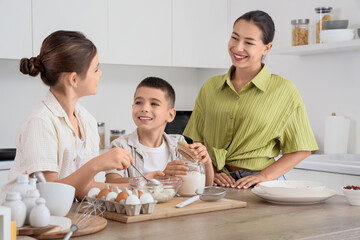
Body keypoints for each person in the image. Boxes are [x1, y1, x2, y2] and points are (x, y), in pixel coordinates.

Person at [183, 10, 318, 189]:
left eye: (249, 42)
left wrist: (263, 176)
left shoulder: (284, 90)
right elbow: (196, 141)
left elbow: (302, 149)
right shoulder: (210, 87)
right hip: (215, 181)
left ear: (266, 48)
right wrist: (213, 171)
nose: (238, 47)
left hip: (262, 185)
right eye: (234, 38)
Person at [0, 30, 133, 203]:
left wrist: (138, 186)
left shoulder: (87, 121)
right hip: (24, 223)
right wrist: (97, 164)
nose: (100, 73)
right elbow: (48, 195)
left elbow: (84, 188)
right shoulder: (40, 123)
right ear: (74, 80)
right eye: (96, 69)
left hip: (63, 219)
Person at [105, 77, 214, 186]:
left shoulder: (179, 145)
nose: (144, 108)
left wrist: (207, 162)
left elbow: (204, 186)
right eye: (138, 102)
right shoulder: (120, 146)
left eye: (154, 104)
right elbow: (111, 182)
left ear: (170, 115)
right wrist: (154, 179)